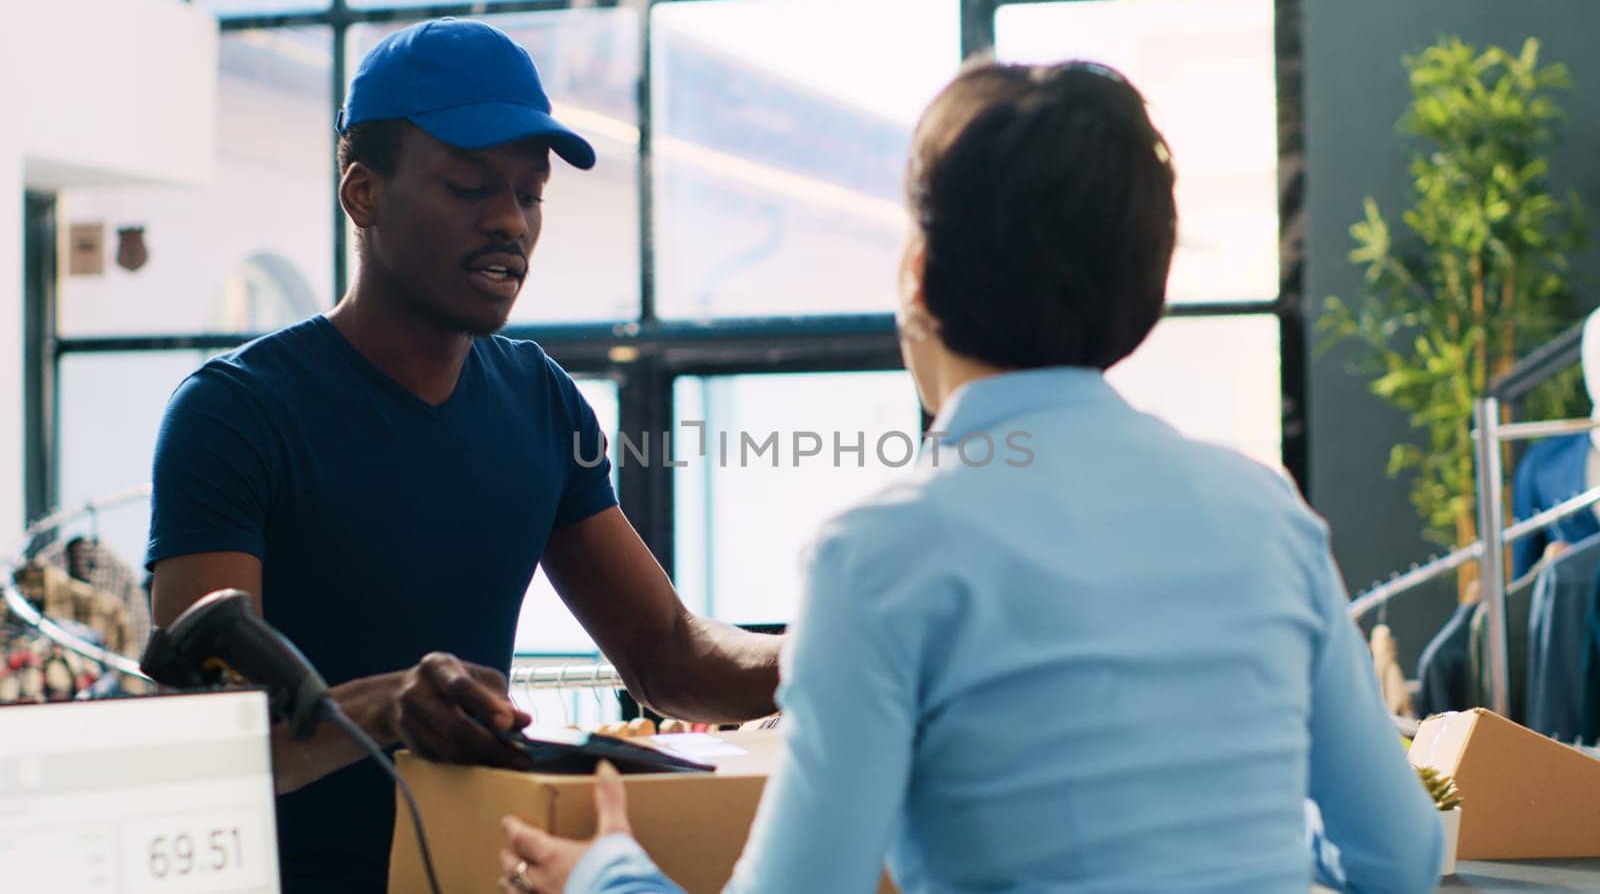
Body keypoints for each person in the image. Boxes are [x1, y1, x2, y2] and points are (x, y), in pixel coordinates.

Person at [497, 60, 1445, 894]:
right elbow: (1399, 860)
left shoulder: (880, 554)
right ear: (1147, 288)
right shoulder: (1264, 512)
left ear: (917, 272)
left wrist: (605, 878)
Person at [145, 18, 781, 894]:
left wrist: (834, 657)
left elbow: (667, 655)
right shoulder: (236, 414)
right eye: (470, 186)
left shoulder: (539, 398)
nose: (510, 222)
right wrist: (384, 706)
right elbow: (195, 742)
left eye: (531, 192)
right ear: (362, 193)